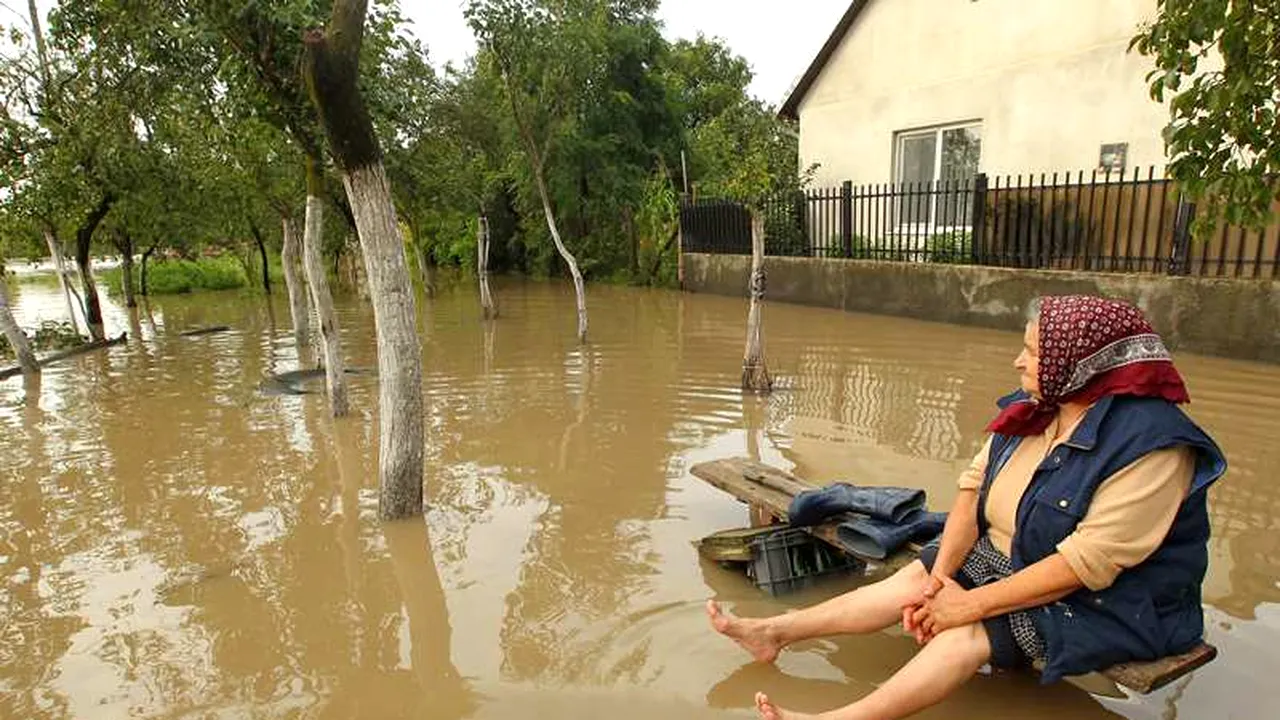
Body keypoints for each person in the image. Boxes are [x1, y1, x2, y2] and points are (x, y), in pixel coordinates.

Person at [707, 295, 1227, 720]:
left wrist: (966, 606)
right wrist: (940, 581)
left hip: (1113, 597)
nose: (1018, 361)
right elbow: (970, 493)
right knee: (911, 582)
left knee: (970, 634)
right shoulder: (1036, 411)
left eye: (1033, 352)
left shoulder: (1155, 447)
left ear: (1078, 364)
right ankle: (774, 633)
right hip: (1014, 555)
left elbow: (1084, 565)